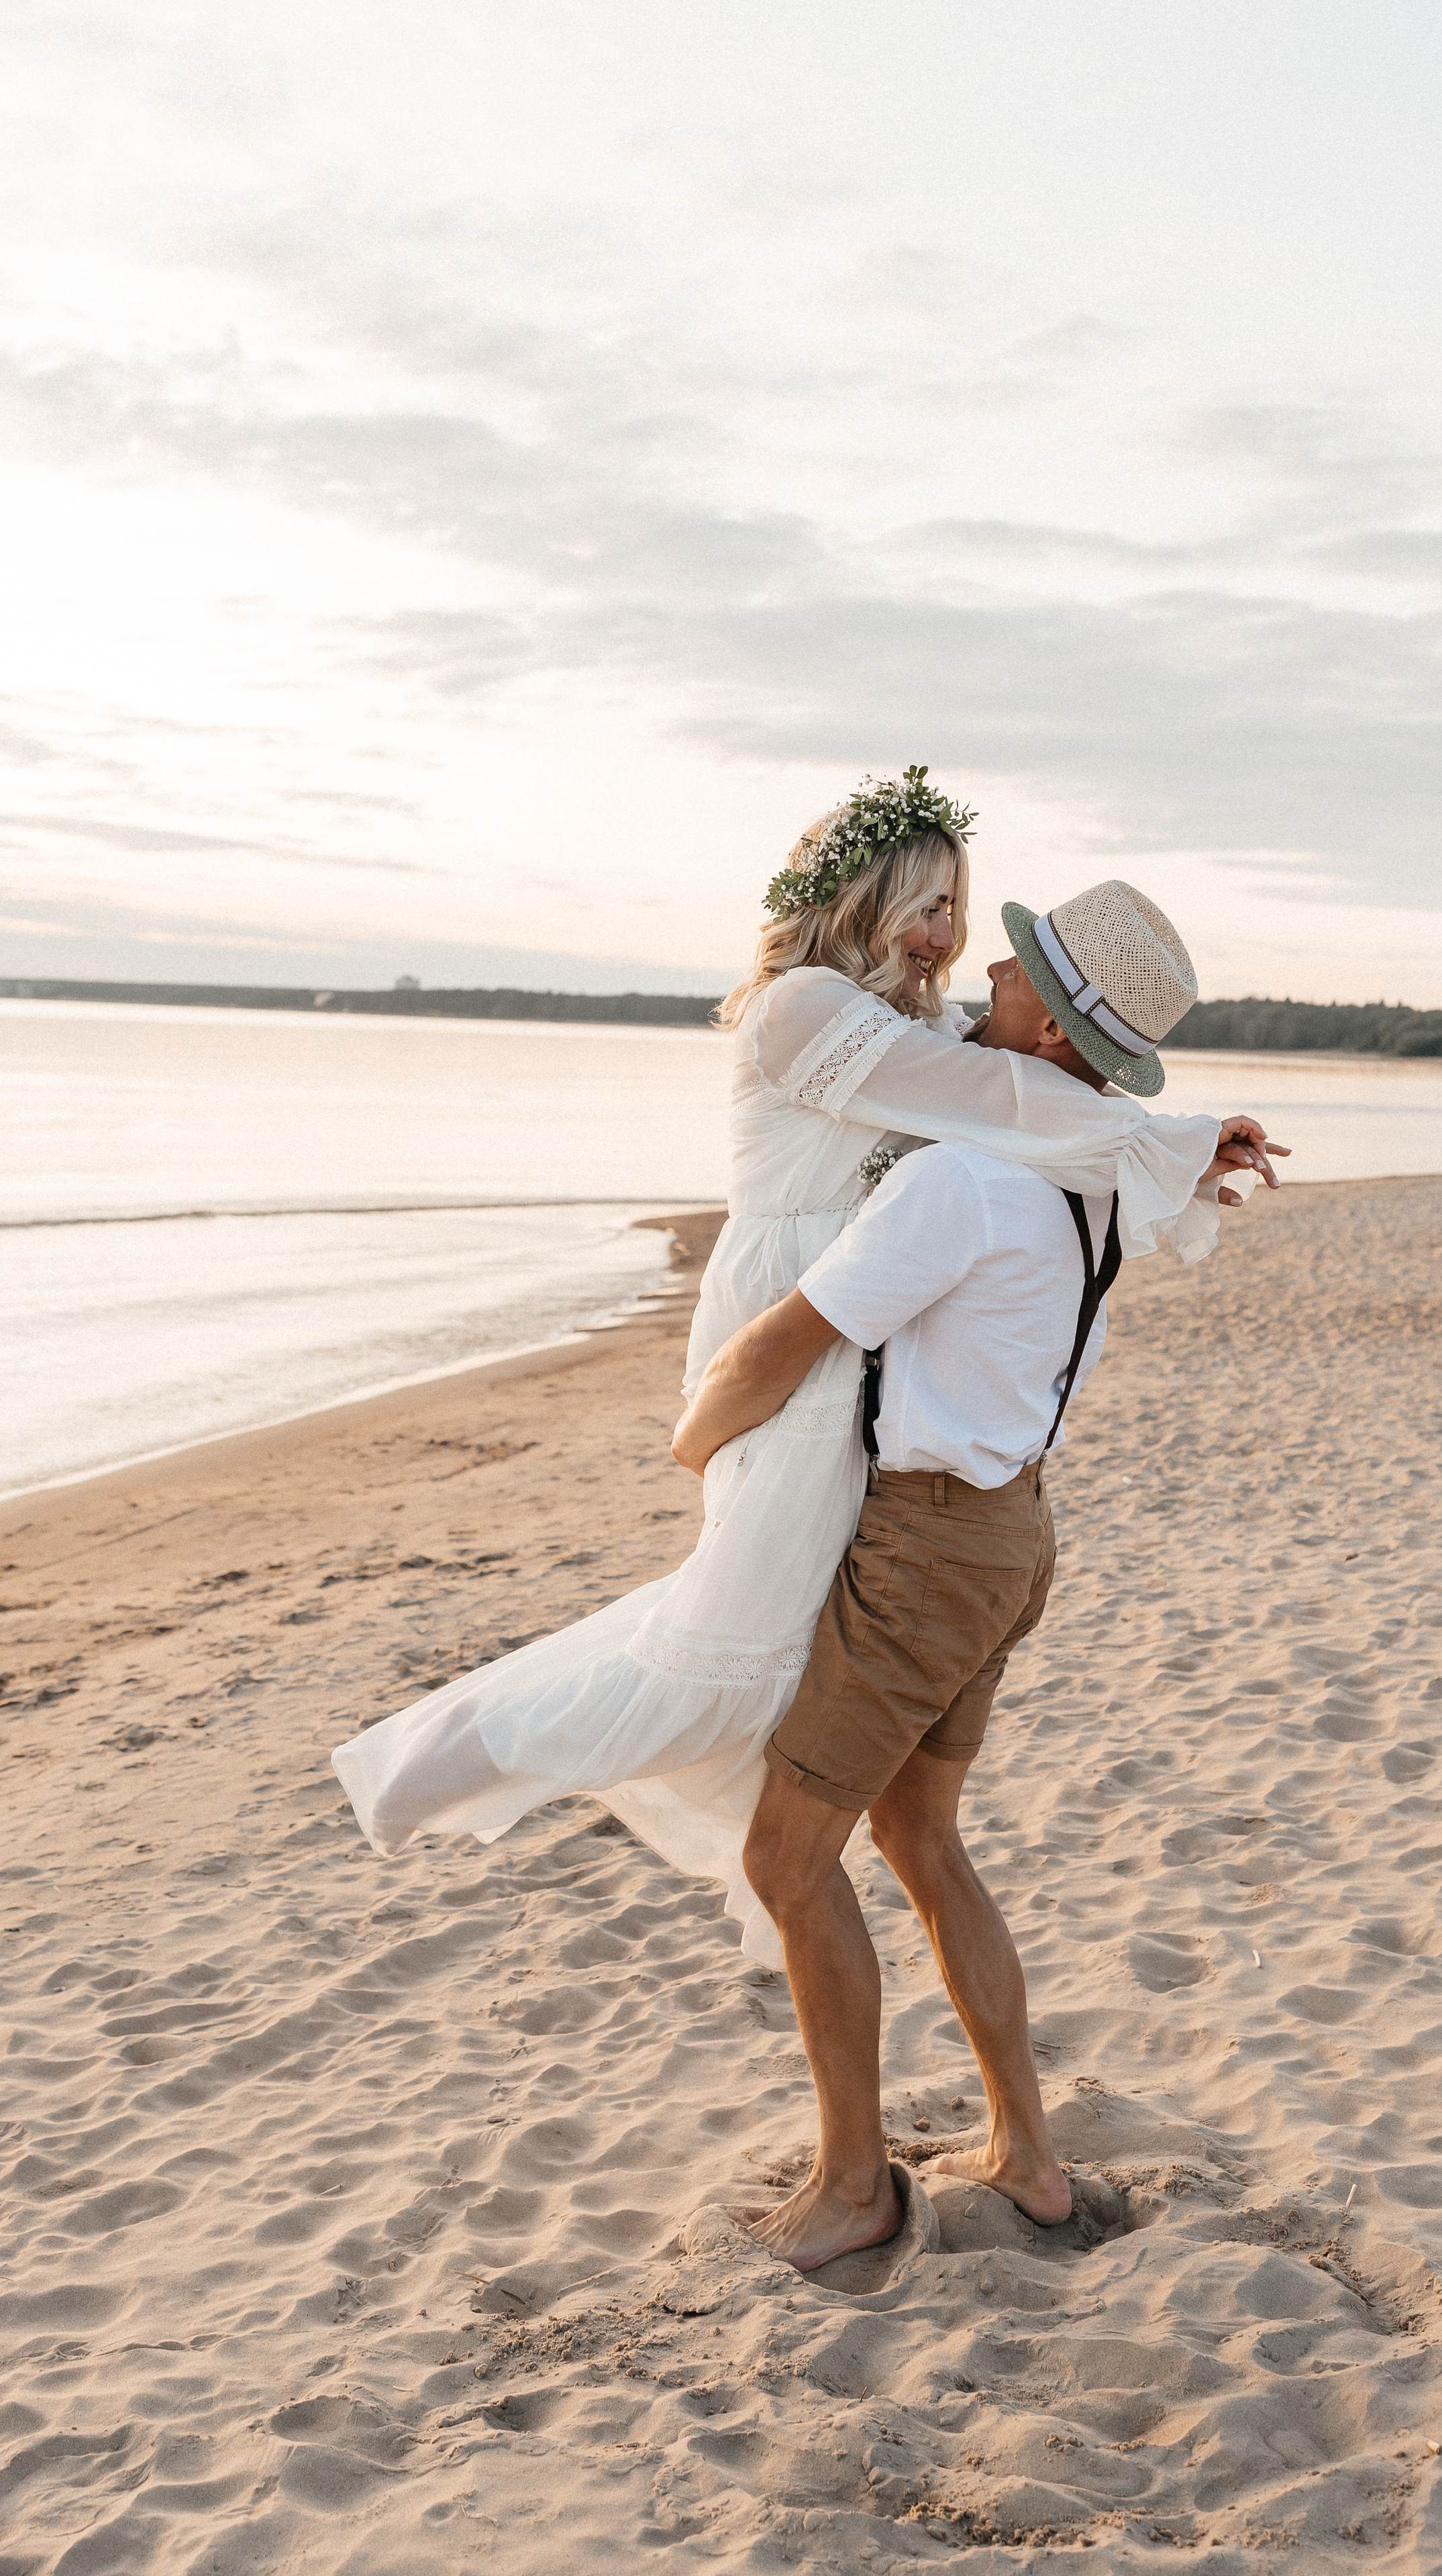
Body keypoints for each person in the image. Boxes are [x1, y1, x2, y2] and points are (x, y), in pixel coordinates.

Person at [331, 773, 1280, 1962]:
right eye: (924, 905)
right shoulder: (802, 1010)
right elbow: (1000, 1090)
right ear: (858, 893)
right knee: (730, 1610)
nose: (949, 938)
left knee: (777, 1622)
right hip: (785, 1310)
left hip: (856, 1328)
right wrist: (1174, 1139)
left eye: (956, 909)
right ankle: (462, 1759)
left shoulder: (913, 1026)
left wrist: (1175, 1149)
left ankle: (779, 1823)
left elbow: (1025, 1087)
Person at [670, 877, 1284, 2269]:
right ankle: (1027, 2155)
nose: (988, 965)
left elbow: (790, 1341)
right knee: (919, 1840)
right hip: (1014, 1535)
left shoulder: (961, 1177)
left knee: (785, 1856)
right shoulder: (1083, 1190)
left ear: (1053, 1029)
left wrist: (693, 1440)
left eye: (1021, 968)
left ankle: (852, 2187)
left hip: (931, 1546)